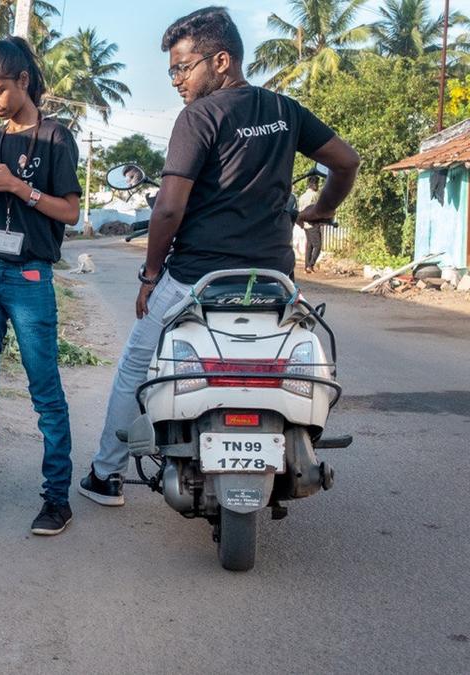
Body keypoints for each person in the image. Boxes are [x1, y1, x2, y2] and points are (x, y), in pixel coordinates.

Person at [78, 7, 360, 506]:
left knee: (137, 365)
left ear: (222, 61)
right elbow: (346, 160)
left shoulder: (200, 116)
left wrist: (149, 276)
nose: (176, 81)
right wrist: (321, 209)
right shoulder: (285, 110)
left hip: (196, 278)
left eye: (182, 68)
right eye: (172, 70)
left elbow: (167, 208)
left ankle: (106, 475)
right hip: (273, 280)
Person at [0, 37, 83, 535]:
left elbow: (69, 211)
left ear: (23, 81)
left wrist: (20, 187)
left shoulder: (56, 138)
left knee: (44, 390)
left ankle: (56, 500)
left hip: (30, 276)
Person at [297, 176, 322, 272]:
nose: (318, 186)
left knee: (309, 245)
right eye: (317, 184)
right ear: (314, 184)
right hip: (313, 223)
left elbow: (299, 211)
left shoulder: (302, 196)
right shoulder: (315, 195)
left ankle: (307, 266)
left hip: (305, 224)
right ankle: (310, 265)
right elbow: (319, 209)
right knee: (318, 245)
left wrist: (301, 223)